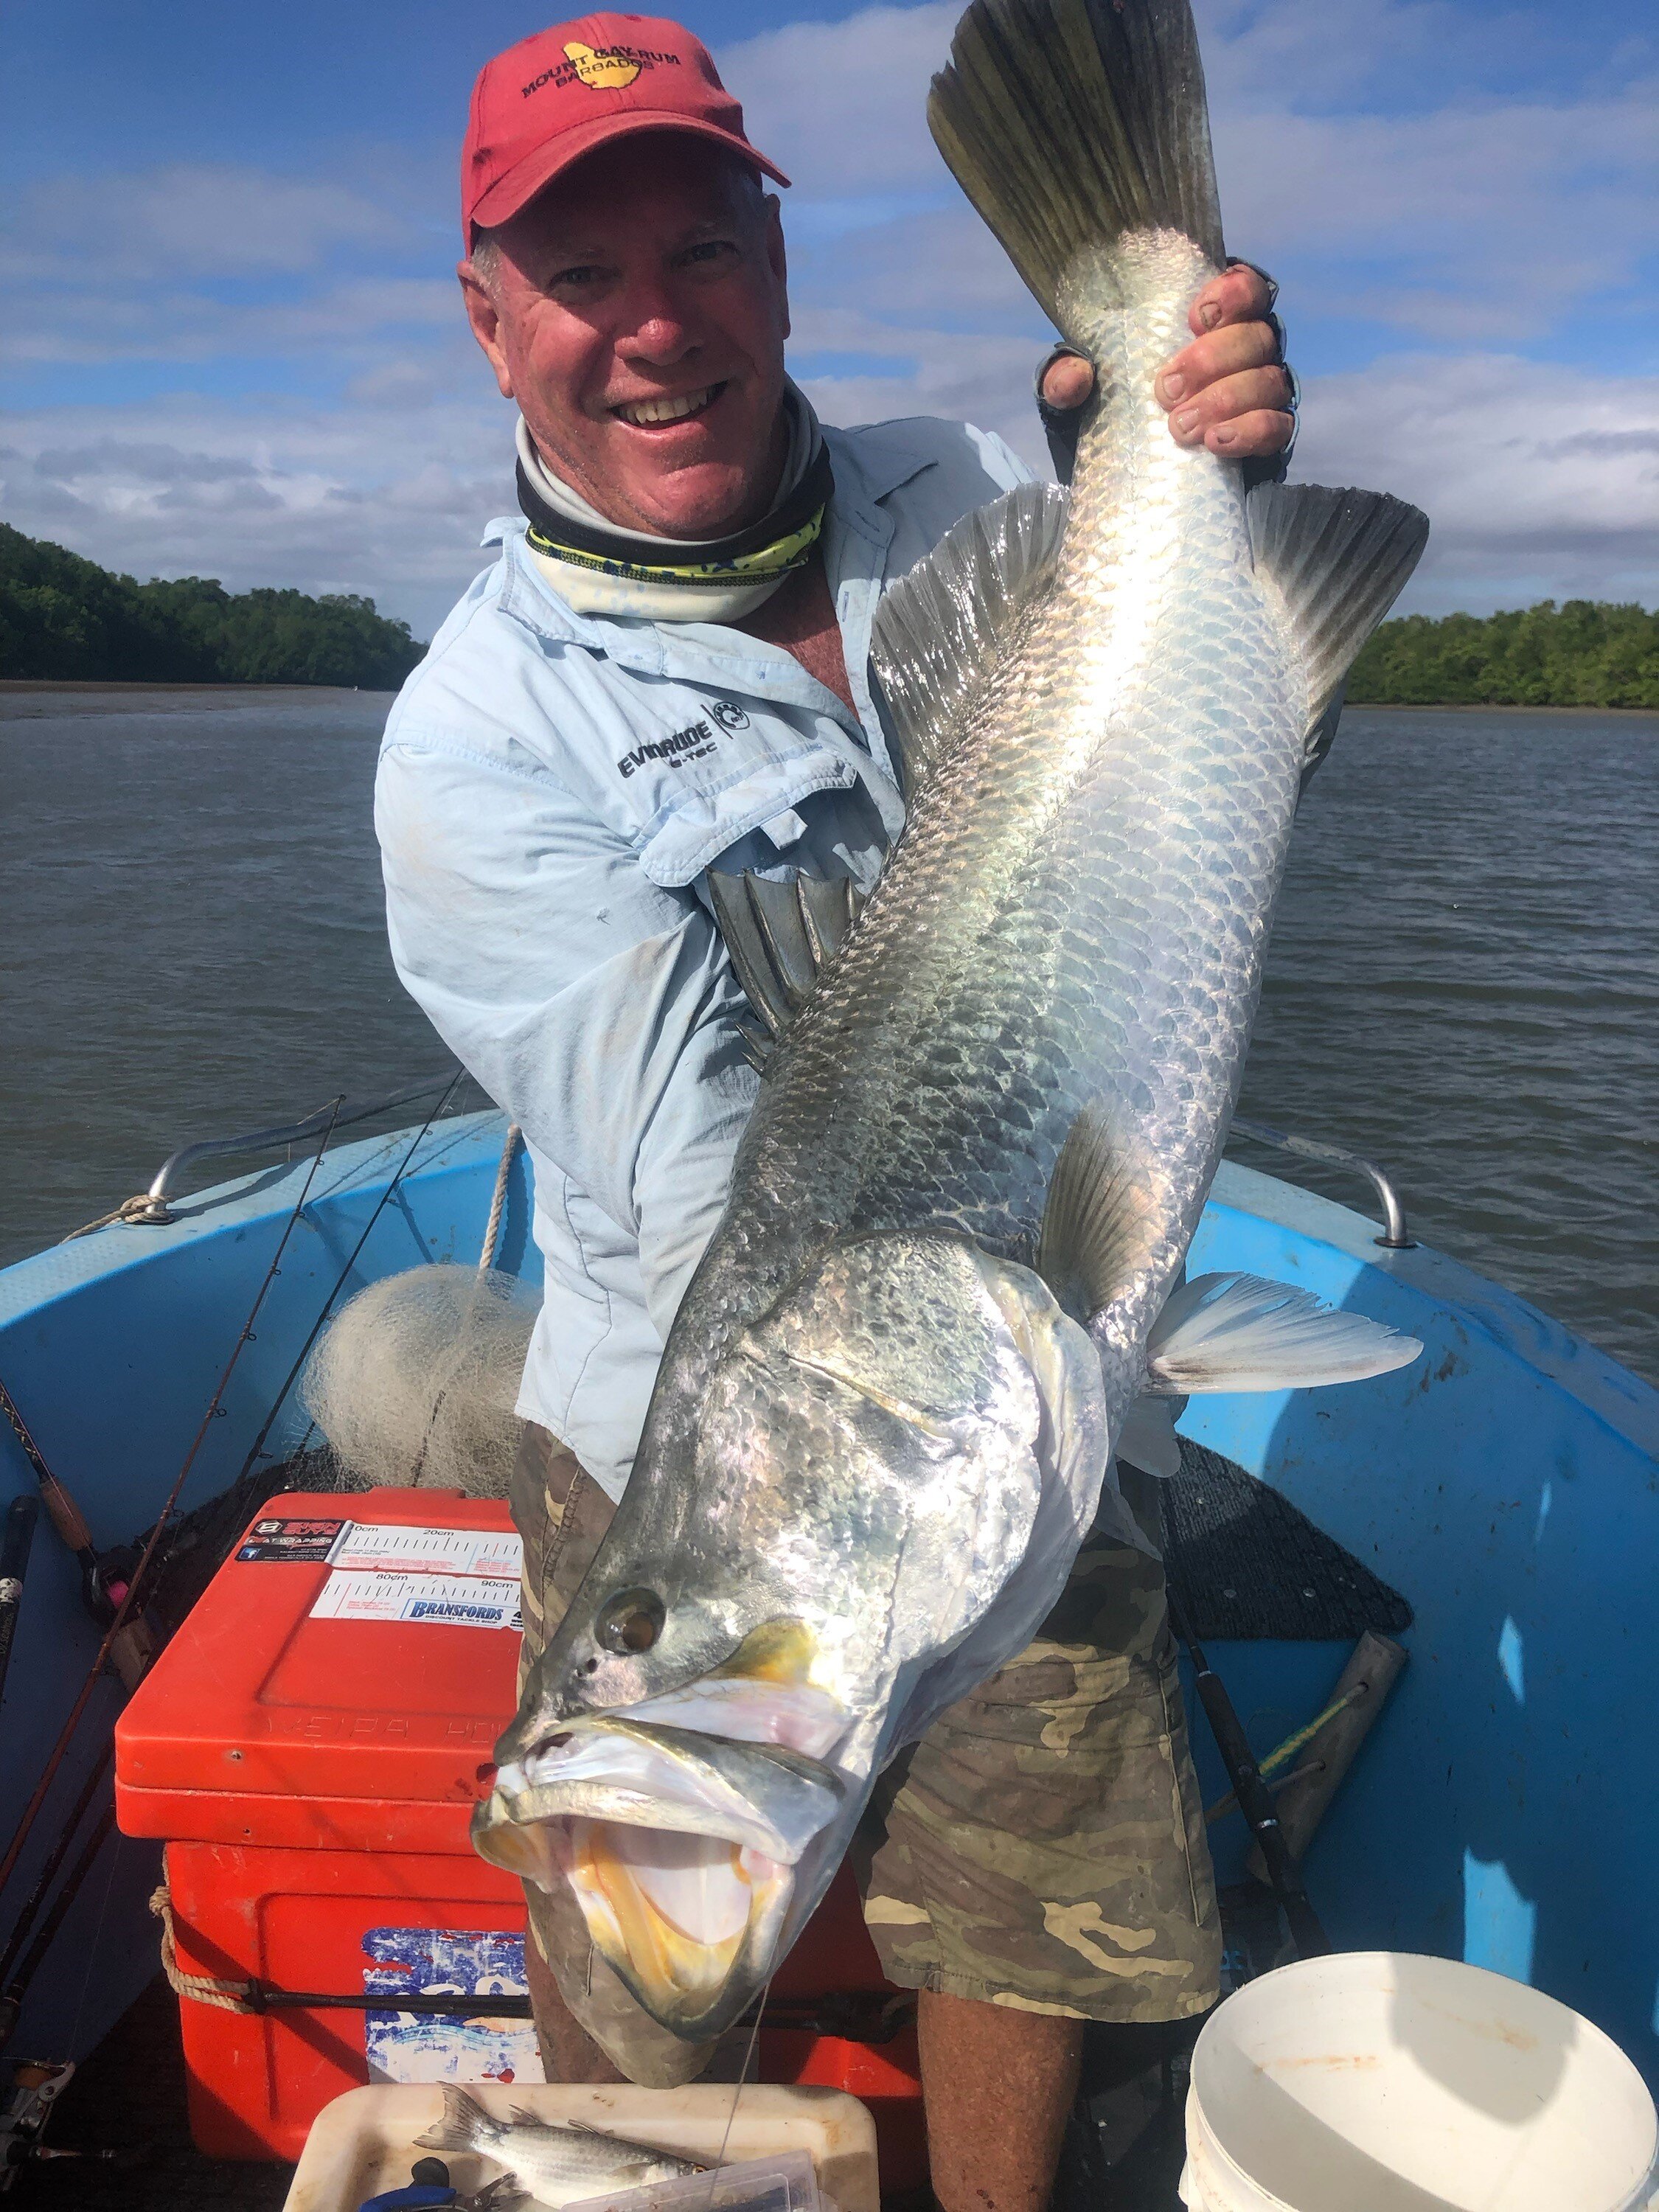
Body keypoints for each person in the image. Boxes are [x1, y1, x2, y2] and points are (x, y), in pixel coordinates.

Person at [376, 17, 1295, 2211]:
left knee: (1033, 1904)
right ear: (491, 325)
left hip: (1042, 1377)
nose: (655, 325)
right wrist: (856, 1570)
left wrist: (1165, 450)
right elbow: (716, 1195)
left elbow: (1195, 775)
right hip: (716, 1450)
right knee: (639, 1939)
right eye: (580, 278)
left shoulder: (984, 490)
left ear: (777, 271)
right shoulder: (470, 738)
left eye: (700, 247)